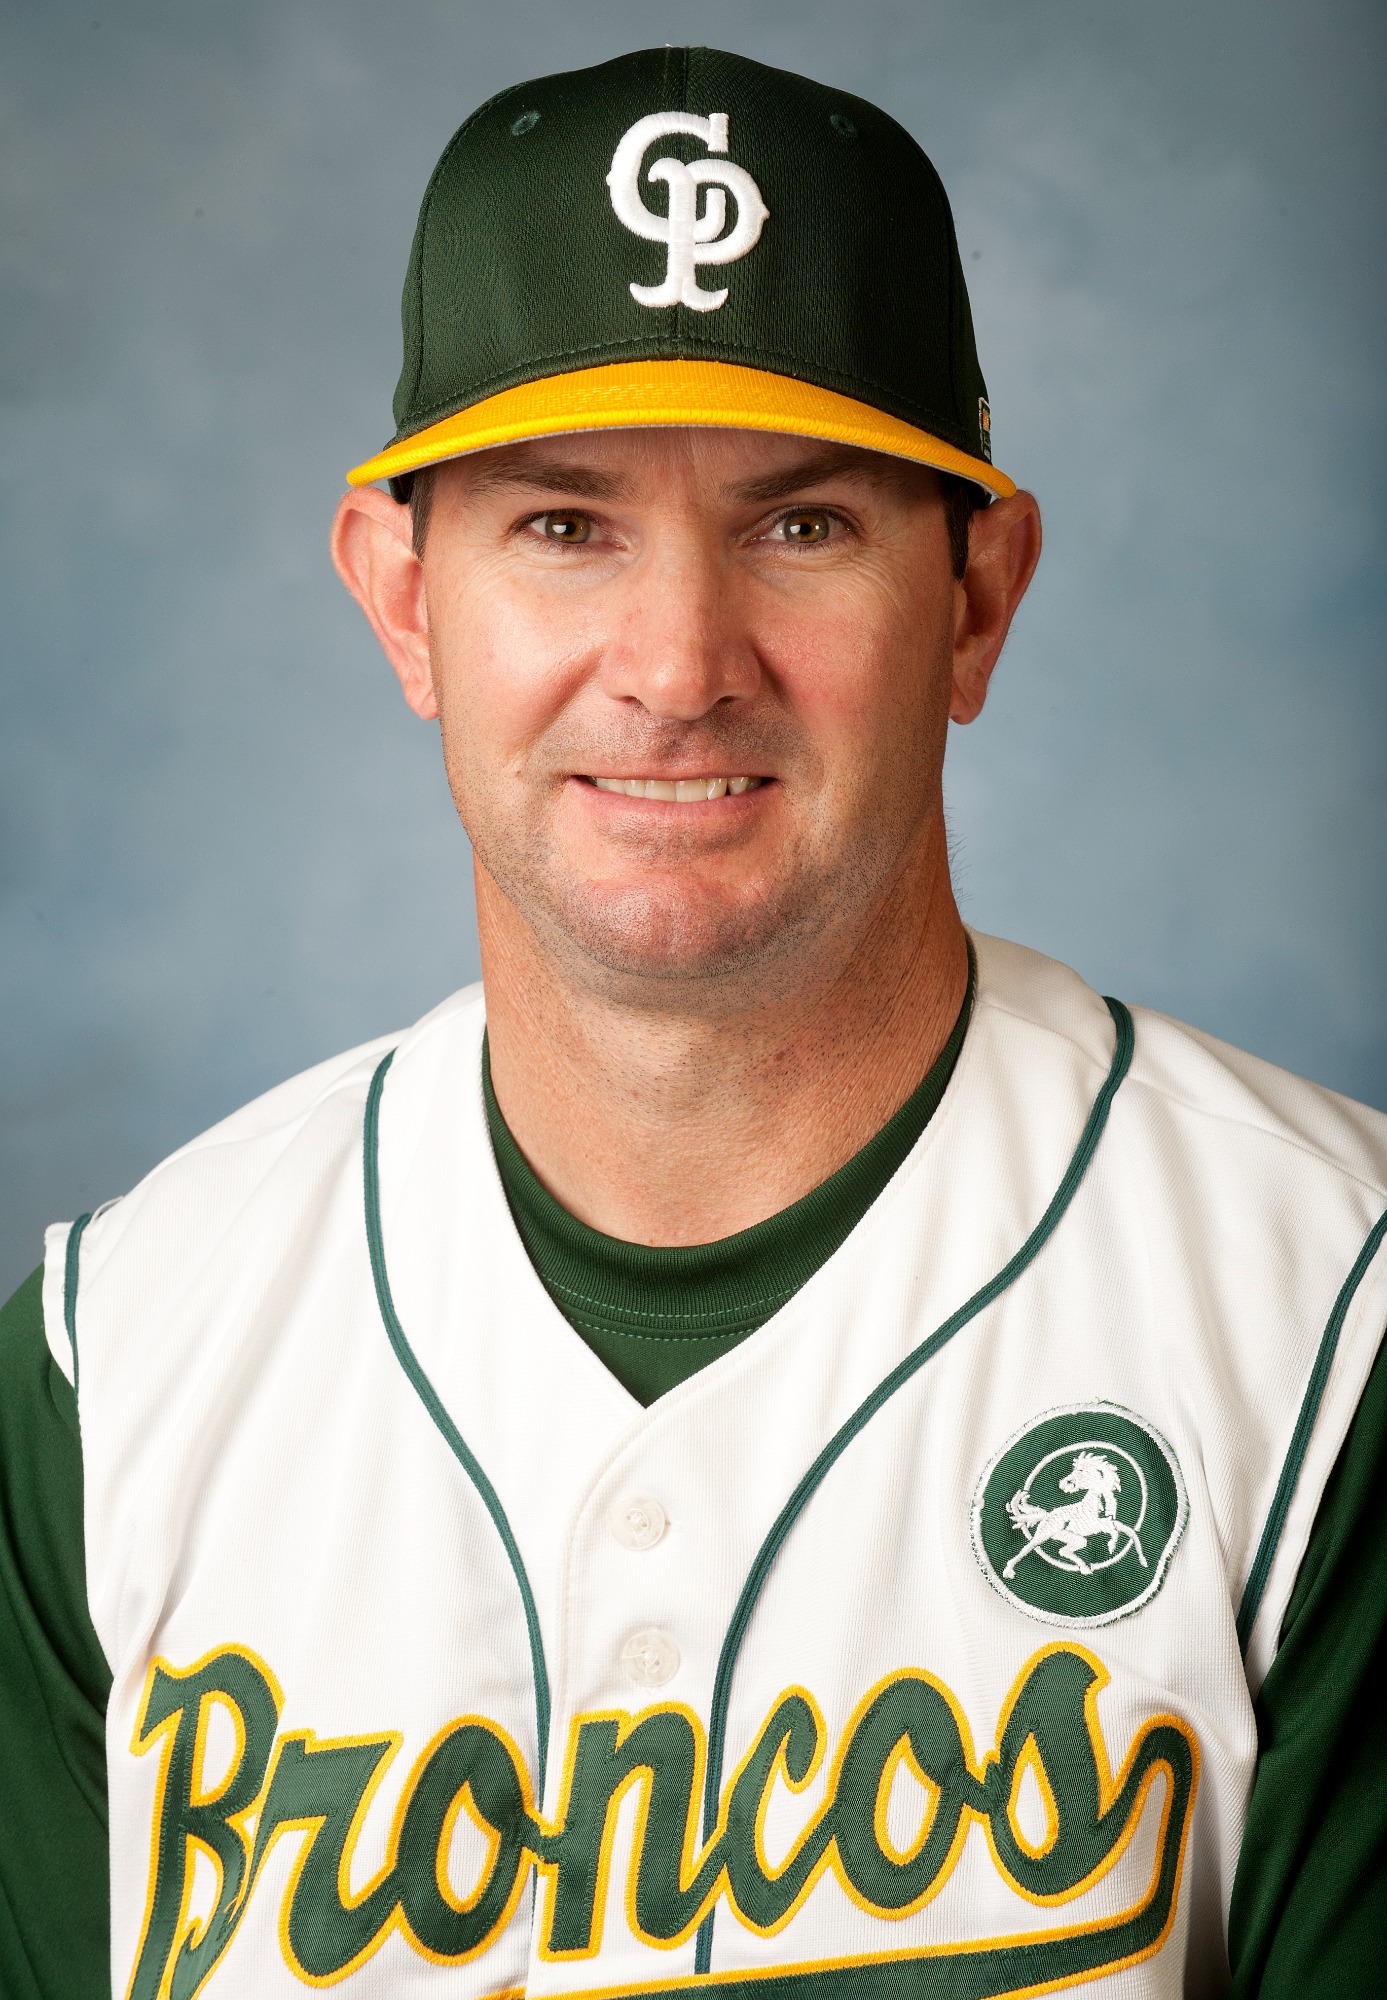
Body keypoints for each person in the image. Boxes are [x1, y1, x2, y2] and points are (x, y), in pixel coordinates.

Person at [1, 44, 1384, 2000]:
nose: (674, 666)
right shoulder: (110, 1378)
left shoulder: (1335, 1319)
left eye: (801, 523)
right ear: (400, 594)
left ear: (977, 590)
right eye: (563, 524)